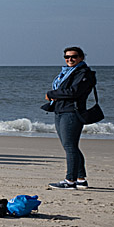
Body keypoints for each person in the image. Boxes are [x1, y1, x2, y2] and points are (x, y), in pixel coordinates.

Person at [42, 46, 95, 189]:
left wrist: (52, 94)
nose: (70, 59)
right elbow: (66, 91)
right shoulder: (67, 73)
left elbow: (74, 92)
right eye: (67, 57)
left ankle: (70, 181)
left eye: (73, 56)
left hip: (72, 112)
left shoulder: (84, 73)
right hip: (61, 111)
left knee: (70, 146)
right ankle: (81, 179)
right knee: (72, 146)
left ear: (81, 57)